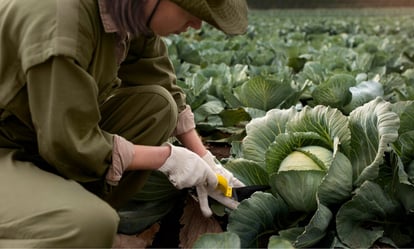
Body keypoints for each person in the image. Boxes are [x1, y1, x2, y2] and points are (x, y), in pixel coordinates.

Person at [0, 0, 248, 247]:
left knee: (157, 106)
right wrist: (167, 158)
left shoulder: (128, 12)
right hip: (12, 147)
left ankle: (69, 215)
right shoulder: (61, 22)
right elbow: (70, 144)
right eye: (190, 11)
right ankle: (65, 226)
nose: (196, 24)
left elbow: (159, 79)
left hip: (36, 134)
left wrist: (206, 159)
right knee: (90, 223)